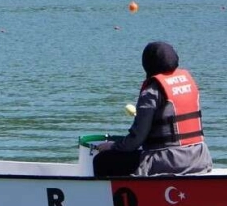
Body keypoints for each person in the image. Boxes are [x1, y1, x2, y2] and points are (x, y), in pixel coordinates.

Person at [91, 42, 212, 177]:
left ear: (147, 65)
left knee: (102, 161)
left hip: (168, 161)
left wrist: (113, 146)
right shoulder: (189, 83)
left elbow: (136, 141)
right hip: (200, 157)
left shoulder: (151, 93)